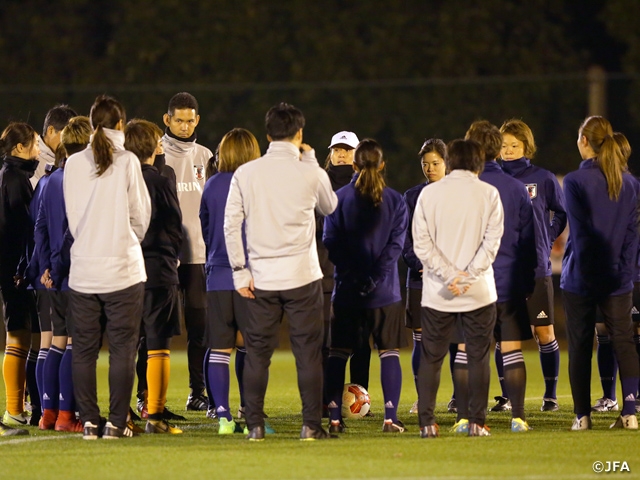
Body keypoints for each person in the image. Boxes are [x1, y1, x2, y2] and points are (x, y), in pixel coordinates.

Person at [224, 102, 338, 441]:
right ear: (300, 134)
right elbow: (330, 206)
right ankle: (310, 426)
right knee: (308, 354)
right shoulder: (310, 171)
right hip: (303, 276)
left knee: (257, 354)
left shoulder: (247, 172)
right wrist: (313, 162)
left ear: (268, 134)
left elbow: (231, 225)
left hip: (261, 278)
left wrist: (239, 271)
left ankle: (255, 426)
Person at [64, 95, 151, 440]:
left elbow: (73, 220)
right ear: (120, 125)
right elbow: (140, 216)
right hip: (123, 270)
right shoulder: (128, 161)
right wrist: (126, 241)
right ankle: (116, 422)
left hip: (84, 270)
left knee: (83, 350)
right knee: (122, 350)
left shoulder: (72, 164)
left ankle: (88, 422)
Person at [413, 139, 503, 438]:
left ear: (449, 161)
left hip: (438, 291)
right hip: (478, 290)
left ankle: (427, 423)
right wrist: (466, 277)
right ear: (479, 161)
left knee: (431, 357)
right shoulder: (489, 194)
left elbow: (421, 245)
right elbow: (492, 244)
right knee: (478, 356)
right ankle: (477, 422)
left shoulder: (429, 193)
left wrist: (449, 275)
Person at [323, 138, 408, 433]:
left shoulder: (339, 198)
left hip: (347, 289)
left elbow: (330, 243)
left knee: (337, 353)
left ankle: (334, 419)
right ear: (382, 165)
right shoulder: (396, 200)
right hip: (385, 291)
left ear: (354, 165)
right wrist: (374, 277)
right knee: (388, 352)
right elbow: (395, 247)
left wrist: (355, 275)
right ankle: (389, 418)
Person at [561, 116, 640, 430]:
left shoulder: (575, 181)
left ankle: (582, 417)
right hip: (619, 279)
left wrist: (591, 276)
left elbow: (581, 236)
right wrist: (622, 273)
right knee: (623, 341)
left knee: (580, 345)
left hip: (581, 277)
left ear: (584, 141)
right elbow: (633, 236)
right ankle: (630, 413)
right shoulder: (630, 182)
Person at [465, 120, 536, 433]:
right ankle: (518, 417)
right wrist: (526, 281)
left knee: (470, 350)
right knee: (511, 349)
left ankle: (468, 419)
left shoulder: (465, 187)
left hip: (473, 282)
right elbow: (528, 240)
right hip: (507, 281)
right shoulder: (517, 188)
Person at [499, 119, 567, 412]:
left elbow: (560, 213)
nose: (509, 150)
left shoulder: (543, 177)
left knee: (545, 333)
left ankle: (550, 395)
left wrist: (547, 237)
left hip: (536, 267)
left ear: (527, 146)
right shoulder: (492, 178)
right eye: (504, 145)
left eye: (515, 145)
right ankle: (504, 396)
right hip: (501, 269)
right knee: (504, 337)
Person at [124, 119, 183, 435]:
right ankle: (155, 417)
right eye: (158, 141)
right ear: (149, 147)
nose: (162, 144)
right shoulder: (160, 182)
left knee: (124, 344)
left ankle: (122, 414)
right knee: (158, 344)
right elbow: (175, 226)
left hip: (123, 273)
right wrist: (171, 255)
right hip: (158, 271)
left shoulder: (116, 182)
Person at [200, 128, 260, 434]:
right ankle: (251, 415)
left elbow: (205, 227)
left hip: (217, 274)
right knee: (252, 347)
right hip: (250, 275)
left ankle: (223, 416)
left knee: (221, 347)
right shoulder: (256, 183)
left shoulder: (211, 184)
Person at [35, 116, 92, 432]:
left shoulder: (51, 178)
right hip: (74, 270)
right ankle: (68, 416)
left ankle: (49, 414)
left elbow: (40, 226)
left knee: (56, 341)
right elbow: (75, 228)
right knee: (74, 342)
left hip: (54, 274)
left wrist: (45, 268)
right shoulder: (79, 177)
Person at [162, 92, 213, 412]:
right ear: (167, 120)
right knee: (156, 330)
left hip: (198, 256)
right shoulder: (155, 153)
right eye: (178, 120)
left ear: (197, 120)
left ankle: (197, 392)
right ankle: (147, 396)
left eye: (189, 120)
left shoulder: (206, 156)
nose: (184, 126)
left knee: (200, 329)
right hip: (165, 255)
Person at [402, 138, 454, 415]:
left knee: (458, 339)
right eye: (425, 164)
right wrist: (418, 263)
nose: (430, 168)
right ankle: (423, 397)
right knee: (421, 339)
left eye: (435, 163)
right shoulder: (411, 196)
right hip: (420, 278)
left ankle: (459, 396)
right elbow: (403, 239)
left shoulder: (458, 194)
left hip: (452, 279)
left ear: (447, 163)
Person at [316, 131, 363, 414]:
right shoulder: (318, 182)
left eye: (347, 150)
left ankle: (360, 396)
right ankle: (324, 400)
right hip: (323, 272)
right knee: (323, 342)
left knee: (358, 342)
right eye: (337, 150)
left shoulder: (366, 184)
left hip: (356, 276)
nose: (342, 154)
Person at [0, 122, 40, 436]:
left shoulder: (8, 174)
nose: (38, 151)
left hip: (9, 267)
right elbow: (24, 228)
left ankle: (18, 408)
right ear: (19, 149)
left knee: (20, 337)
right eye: (34, 145)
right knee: (18, 337)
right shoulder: (15, 179)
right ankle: (14, 410)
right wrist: (23, 267)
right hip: (13, 270)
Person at [32, 104, 77, 188]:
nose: (70, 141)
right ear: (51, 131)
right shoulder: (30, 158)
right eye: (66, 135)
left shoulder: (71, 158)